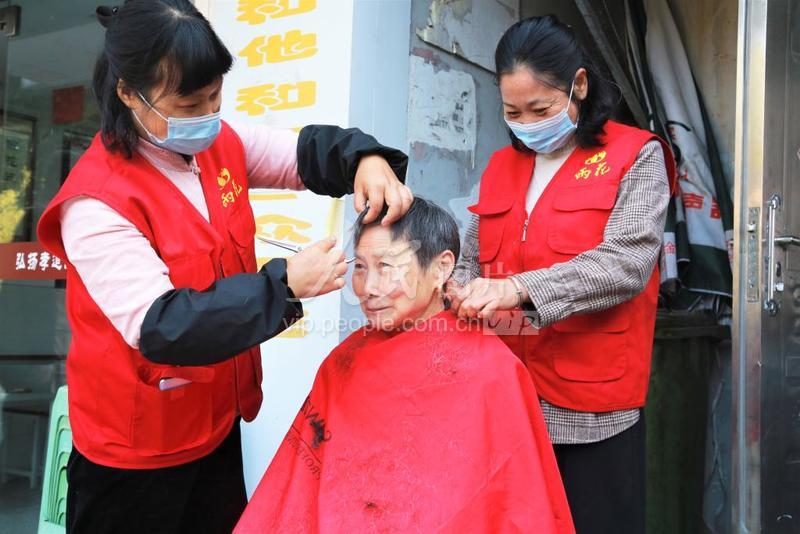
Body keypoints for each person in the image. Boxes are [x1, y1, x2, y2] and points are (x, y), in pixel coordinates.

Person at [35, 2, 413, 532]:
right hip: (134, 455)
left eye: (215, 97)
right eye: (189, 103)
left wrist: (365, 158)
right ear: (128, 93)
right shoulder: (96, 203)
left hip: (214, 426)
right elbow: (163, 326)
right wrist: (285, 286)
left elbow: (302, 155)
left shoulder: (215, 143)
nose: (207, 116)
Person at [448, 16, 676, 534]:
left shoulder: (634, 155)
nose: (527, 123)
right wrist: (454, 286)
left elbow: (626, 262)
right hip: (507, 397)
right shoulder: (501, 166)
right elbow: (471, 253)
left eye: (541, 109)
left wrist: (519, 287)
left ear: (578, 84)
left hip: (592, 405)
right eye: (512, 113)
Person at [235, 198, 575, 533]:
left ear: (441, 268)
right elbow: (300, 493)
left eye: (386, 267)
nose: (368, 288)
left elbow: (511, 502)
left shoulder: (492, 371)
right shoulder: (344, 362)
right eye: (361, 267)